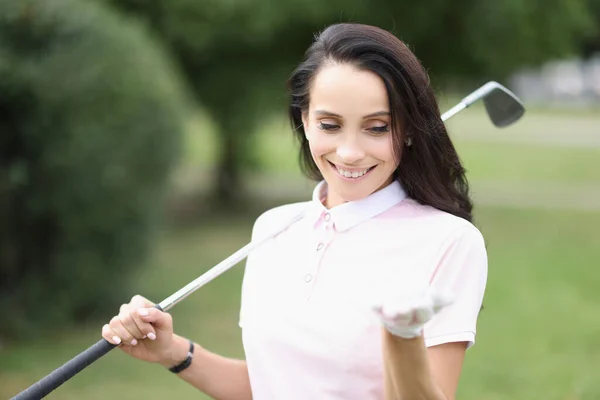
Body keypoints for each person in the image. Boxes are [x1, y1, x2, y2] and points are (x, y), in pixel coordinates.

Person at [101, 22, 488, 400]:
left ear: (407, 129)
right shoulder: (274, 227)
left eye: (376, 128)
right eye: (330, 125)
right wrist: (173, 352)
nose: (350, 152)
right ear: (304, 121)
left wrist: (403, 334)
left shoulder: (449, 241)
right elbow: (271, 385)